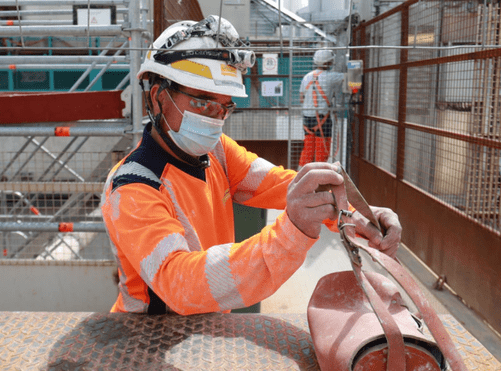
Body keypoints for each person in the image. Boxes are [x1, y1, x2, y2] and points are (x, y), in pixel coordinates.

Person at [100, 15, 401, 316]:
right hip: (145, 343)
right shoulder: (133, 188)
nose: (214, 119)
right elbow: (182, 285)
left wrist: (361, 217)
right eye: (203, 103)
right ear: (157, 97)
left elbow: (281, 184)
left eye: (224, 107)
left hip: (202, 330)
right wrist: (290, 234)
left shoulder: (216, 153)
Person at [298, 49, 346, 168]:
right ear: (329, 62)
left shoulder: (307, 77)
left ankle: (300, 175)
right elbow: (350, 77)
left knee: (308, 149)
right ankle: (320, 176)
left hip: (307, 119)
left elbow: (301, 97)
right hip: (322, 118)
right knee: (322, 149)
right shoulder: (331, 76)